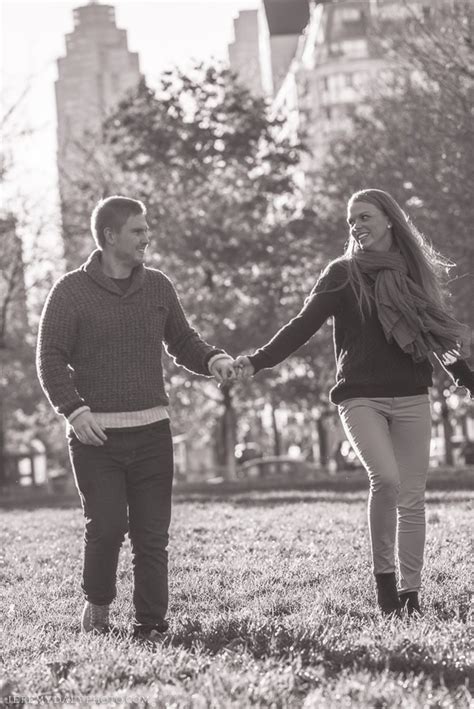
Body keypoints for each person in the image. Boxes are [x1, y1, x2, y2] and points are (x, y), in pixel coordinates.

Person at [234, 188, 474, 617]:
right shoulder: (342, 274)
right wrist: (257, 361)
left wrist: (464, 375)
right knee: (386, 479)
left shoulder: (412, 273)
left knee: (413, 496)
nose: (356, 226)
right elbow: (301, 325)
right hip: (360, 395)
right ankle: (385, 584)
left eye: (364, 217)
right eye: (351, 221)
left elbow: (431, 332)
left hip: (412, 395)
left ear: (389, 220)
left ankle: (411, 594)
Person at [36, 195, 235, 640]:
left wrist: (213, 358)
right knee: (106, 528)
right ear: (110, 236)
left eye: (147, 230)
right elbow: (49, 358)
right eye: (138, 231)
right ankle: (99, 605)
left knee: (151, 537)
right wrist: (74, 410)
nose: (148, 237)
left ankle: (151, 625)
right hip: (95, 437)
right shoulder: (69, 292)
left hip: (151, 433)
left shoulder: (159, 286)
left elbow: (182, 340)